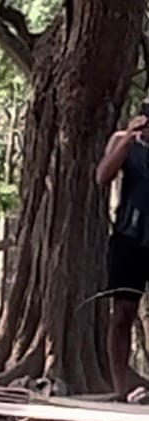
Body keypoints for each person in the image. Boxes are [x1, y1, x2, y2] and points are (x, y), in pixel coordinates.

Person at [94, 103, 149, 400]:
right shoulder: (123, 141)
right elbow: (102, 177)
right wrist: (128, 138)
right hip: (129, 237)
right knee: (122, 313)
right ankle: (119, 387)